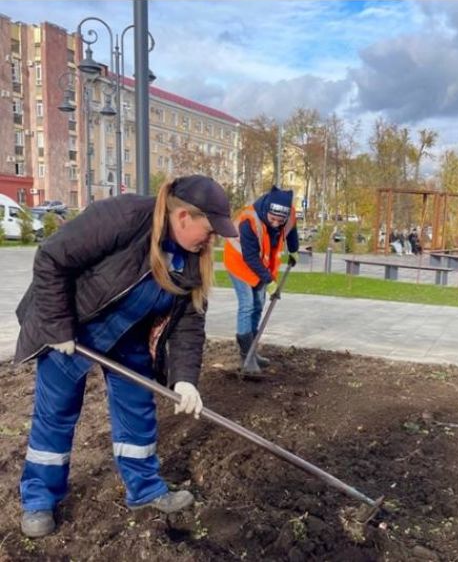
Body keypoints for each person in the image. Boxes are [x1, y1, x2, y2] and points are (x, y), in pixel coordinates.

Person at [13, 176, 235, 538]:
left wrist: (185, 380)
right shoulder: (125, 217)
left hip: (129, 334)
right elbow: (52, 257)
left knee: (138, 410)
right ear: (183, 218)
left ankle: (144, 489)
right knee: (56, 414)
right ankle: (39, 499)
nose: (212, 240)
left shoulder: (192, 260)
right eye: (209, 231)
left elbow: (189, 323)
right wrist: (57, 326)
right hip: (75, 325)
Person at [222, 185, 299, 375]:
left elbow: (291, 230)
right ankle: (245, 356)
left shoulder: (286, 215)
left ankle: (252, 352)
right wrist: (269, 281)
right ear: (266, 211)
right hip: (239, 262)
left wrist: (294, 249)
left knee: (258, 304)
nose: (275, 223)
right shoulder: (249, 221)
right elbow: (250, 257)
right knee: (247, 304)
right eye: (272, 219)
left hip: (259, 265)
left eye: (279, 221)